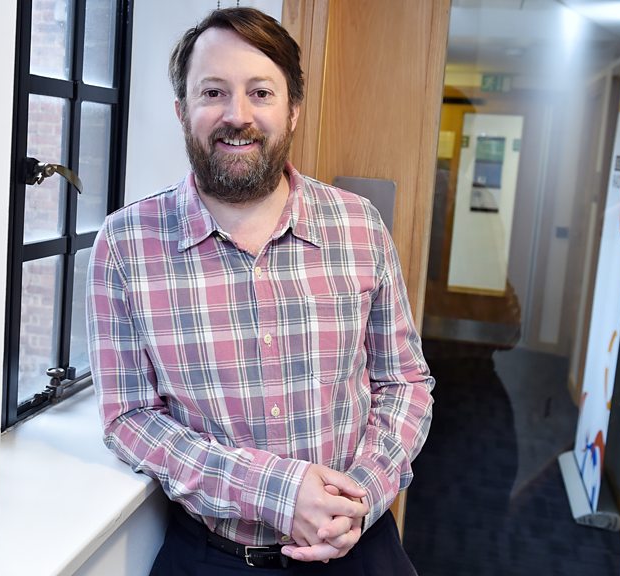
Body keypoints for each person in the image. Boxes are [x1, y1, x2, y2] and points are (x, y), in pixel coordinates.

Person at [86, 7, 433, 574]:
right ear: (182, 111)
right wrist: (277, 491)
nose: (237, 115)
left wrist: (358, 496)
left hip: (360, 549)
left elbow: (405, 383)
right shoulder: (126, 246)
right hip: (212, 559)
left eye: (261, 93)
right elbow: (129, 417)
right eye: (213, 92)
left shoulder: (360, 226)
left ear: (293, 110)